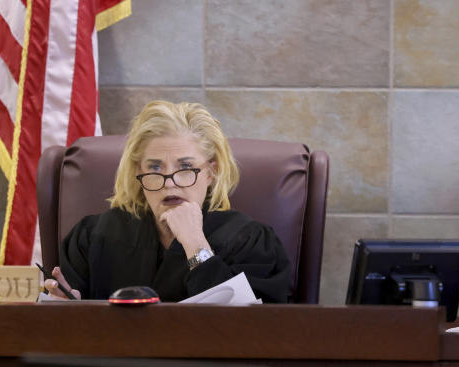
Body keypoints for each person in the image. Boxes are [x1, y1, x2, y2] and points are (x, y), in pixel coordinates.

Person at [44, 101, 292, 302]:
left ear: (210, 172)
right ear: (137, 172)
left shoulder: (249, 241)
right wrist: (69, 309)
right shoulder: (94, 236)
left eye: (185, 167)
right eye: (155, 168)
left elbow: (256, 333)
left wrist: (196, 245)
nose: (169, 183)